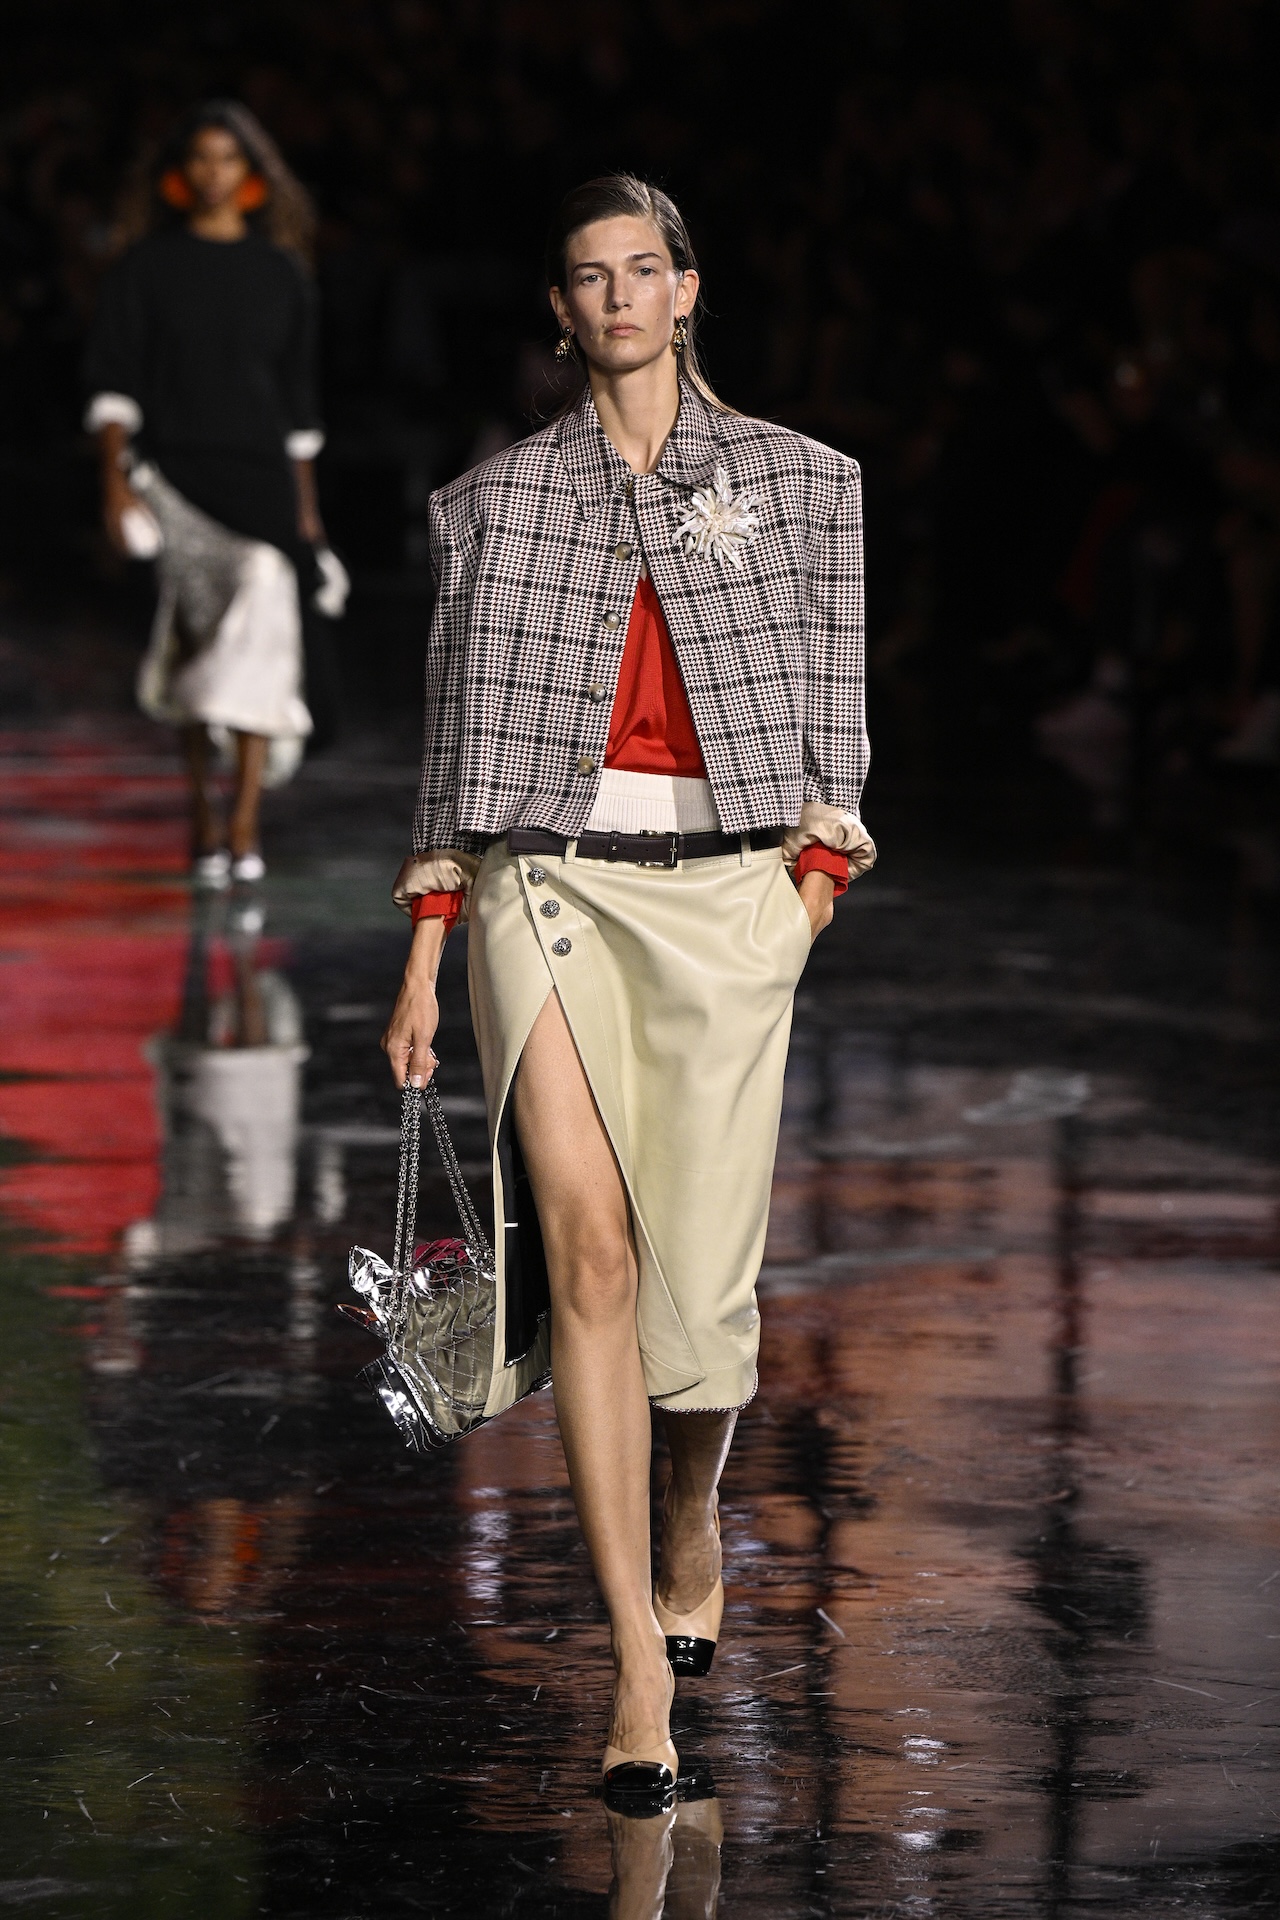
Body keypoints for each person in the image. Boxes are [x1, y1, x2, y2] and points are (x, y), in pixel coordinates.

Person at [381, 173, 875, 1799]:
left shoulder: (804, 486)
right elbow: (455, 755)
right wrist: (432, 954)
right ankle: (627, 1669)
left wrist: (804, 897)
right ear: (558, 308)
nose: (614, 298)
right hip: (552, 885)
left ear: (687, 291)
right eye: (585, 277)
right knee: (586, 1251)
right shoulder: (494, 506)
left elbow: (837, 723)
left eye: (641, 270)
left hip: (729, 897)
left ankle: (686, 1519)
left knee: (700, 1302)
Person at [84, 101, 332, 887]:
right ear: (179, 174)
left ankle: (246, 819)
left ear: (252, 175)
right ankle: (201, 809)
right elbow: (115, 380)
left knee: (261, 622)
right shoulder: (146, 268)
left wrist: (308, 519)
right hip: (176, 481)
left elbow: (297, 403)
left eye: (229, 159)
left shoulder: (281, 273)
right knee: (196, 642)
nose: (214, 173)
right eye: (201, 158)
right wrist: (115, 487)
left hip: (258, 478)